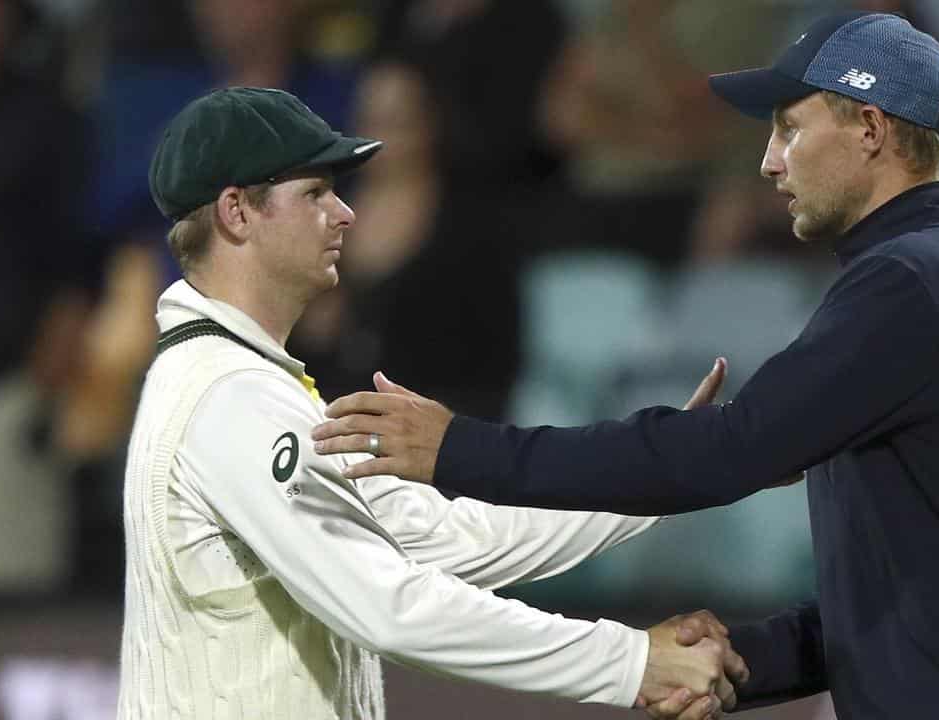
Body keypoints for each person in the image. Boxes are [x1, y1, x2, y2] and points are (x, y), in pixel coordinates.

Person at [311, 12, 939, 719]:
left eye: (789, 129)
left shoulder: (910, 285)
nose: (768, 163)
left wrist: (457, 449)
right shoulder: (936, 276)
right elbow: (911, 590)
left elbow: (723, 455)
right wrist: (735, 664)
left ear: (871, 129)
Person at [119, 86, 742, 720]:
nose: (345, 213)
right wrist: (631, 660)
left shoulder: (250, 383)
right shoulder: (230, 397)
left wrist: (672, 471)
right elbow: (388, 606)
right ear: (236, 212)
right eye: (314, 194)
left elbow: (451, 538)